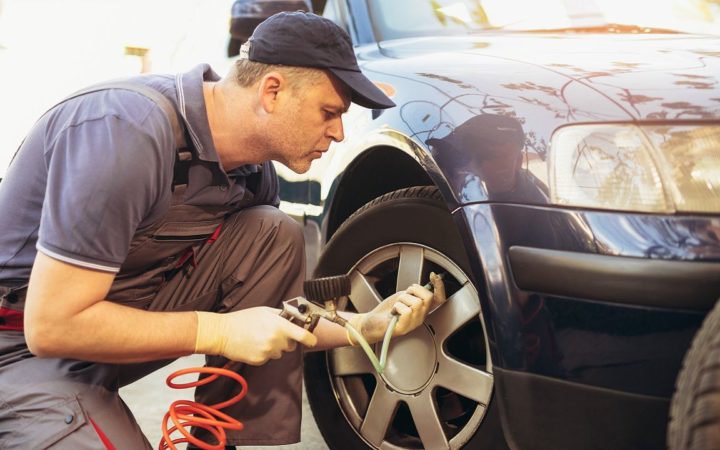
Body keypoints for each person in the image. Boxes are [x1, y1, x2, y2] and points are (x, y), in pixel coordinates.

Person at [0, 12, 446, 449]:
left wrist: (363, 327)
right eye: (329, 112)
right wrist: (217, 331)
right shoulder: (125, 132)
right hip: (23, 348)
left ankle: (215, 439)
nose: (339, 132)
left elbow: (273, 318)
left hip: (110, 324)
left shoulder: (252, 172)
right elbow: (52, 326)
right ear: (272, 90)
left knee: (272, 232)